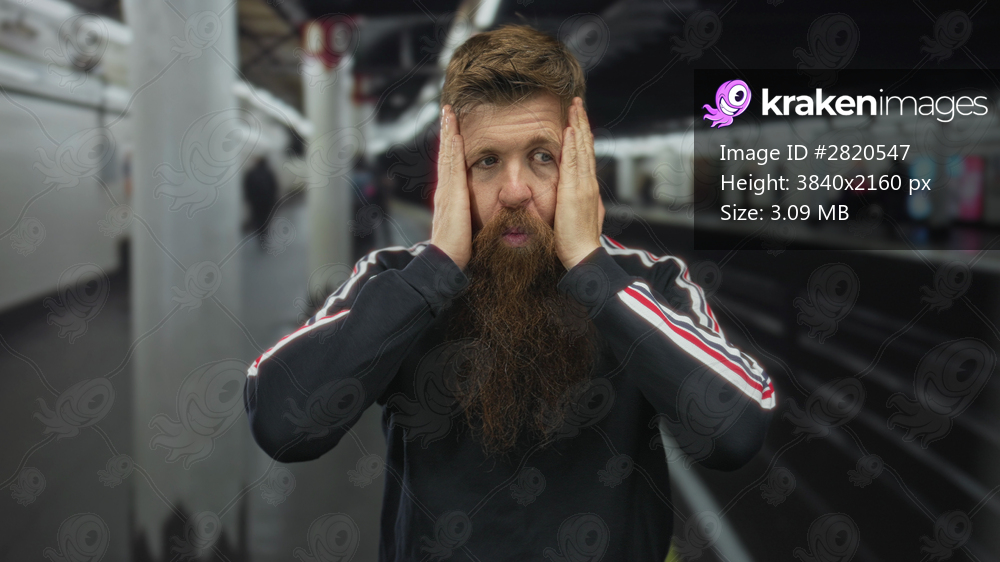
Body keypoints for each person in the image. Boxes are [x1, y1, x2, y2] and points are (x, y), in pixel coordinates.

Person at [244, 24, 774, 561]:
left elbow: (735, 432)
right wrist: (433, 272)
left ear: (579, 164)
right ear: (452, 174)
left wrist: (592, 270)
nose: (516, 191)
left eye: (542, 156)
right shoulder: (397, 281)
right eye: (487, 161)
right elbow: (281, 422)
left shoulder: (649, 282)